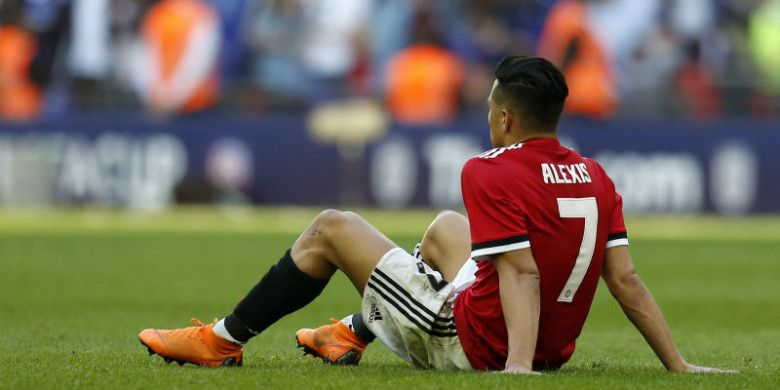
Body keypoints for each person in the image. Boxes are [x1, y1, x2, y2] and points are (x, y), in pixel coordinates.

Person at [139, 56, 733, 374]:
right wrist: (677, 366)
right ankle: (351, 332)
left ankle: (222, 341)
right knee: (449, 227)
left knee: (330, 227)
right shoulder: (595, 174)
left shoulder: (490, 167)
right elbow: (623, 279)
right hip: (547, 347)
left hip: (472, 342)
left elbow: (522, 273)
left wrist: (517, 369)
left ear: (505, 118)